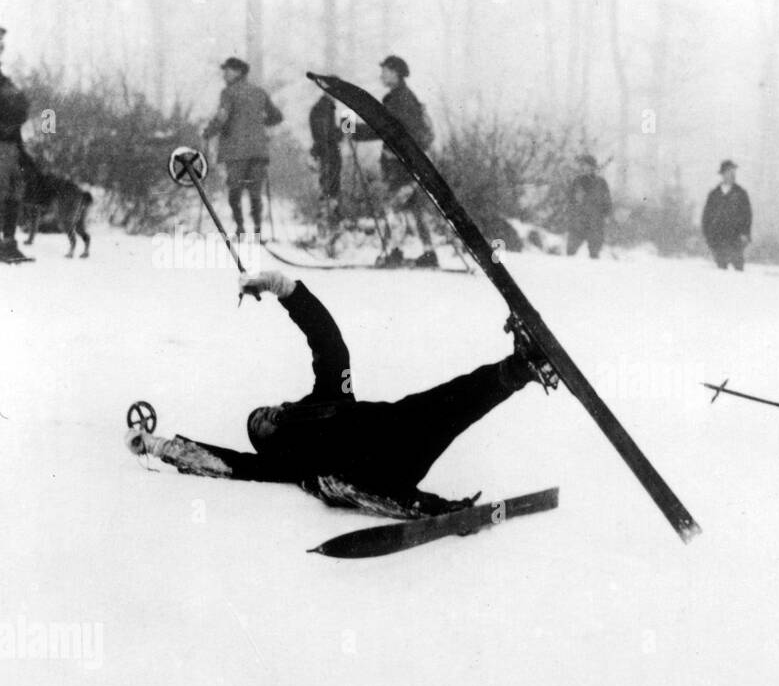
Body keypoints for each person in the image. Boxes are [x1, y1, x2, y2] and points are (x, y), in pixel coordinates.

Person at [126, 270, 557, 516]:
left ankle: (521, 366)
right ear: (265, 440)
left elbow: (329, 343)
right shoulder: (282, 463)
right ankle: (433, 508)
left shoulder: (328, 398)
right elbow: (226, 464)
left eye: (265, 411)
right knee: (333, 482)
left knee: (451, 401)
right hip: (368, 475)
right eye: (260, 425)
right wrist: (159, 446)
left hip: (401, 431)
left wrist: (284, 287)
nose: (268, 417)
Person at [350, 55, 439, 268]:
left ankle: (394, 252)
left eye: (385, 70)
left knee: (394, 207)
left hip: (400, 163)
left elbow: (384, 128)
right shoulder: (403, 97)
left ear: (396, 73)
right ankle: (429, 253)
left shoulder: (399, 100)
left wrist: (353, 130)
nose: (381, 74)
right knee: (413, 207)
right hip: (411, 161)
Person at [202, 57, 282, 239]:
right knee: (255, 193)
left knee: (235, 191)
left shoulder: (228, 93)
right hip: (258, 151)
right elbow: (277, 116)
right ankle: (258, 231)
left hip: (236, 151)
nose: (224, 74)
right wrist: (260, 124)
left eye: (227, 70)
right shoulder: (260, 92)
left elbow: (222, 118)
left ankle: (240, 230)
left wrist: (208, 132)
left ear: (239, 72)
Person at [0, 25, 32, 264]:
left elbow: (21, 106)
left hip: (11, 147)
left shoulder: (5, 81)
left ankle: (9, 243)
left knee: (13, 193)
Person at [701, 159, 751, 271]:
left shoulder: (741, 194)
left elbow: (747, 216)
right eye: (729, 172)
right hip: (718, 238)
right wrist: (708, 235)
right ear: (723, 174)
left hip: (736, 239)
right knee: (721, 272)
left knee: (738, 271)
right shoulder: (714, 195)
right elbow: (707, 217)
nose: (732, 175)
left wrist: (745, 234)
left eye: (734, 172)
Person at [308, 93, 343, 236]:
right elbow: (325, 136)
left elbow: (330, 134)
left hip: (329, 154)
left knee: (330, 191)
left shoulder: (326, 107)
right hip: (328, 155)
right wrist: (346, 130)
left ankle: (329, 230)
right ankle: (327, 231)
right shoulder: (323, 108)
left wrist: (346, 129)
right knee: (329, 192)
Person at [566, 154, 612, 258]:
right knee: (570, 252)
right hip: (578, 223)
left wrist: (606, 216)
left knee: (594, 254)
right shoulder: (576, 182)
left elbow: (607, 202)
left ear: (592, 167)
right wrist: (572, 215)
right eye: (581, 165)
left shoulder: (601, 183)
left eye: (585, 165)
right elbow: (570, 202)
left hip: (595, 223)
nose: (583, 167)